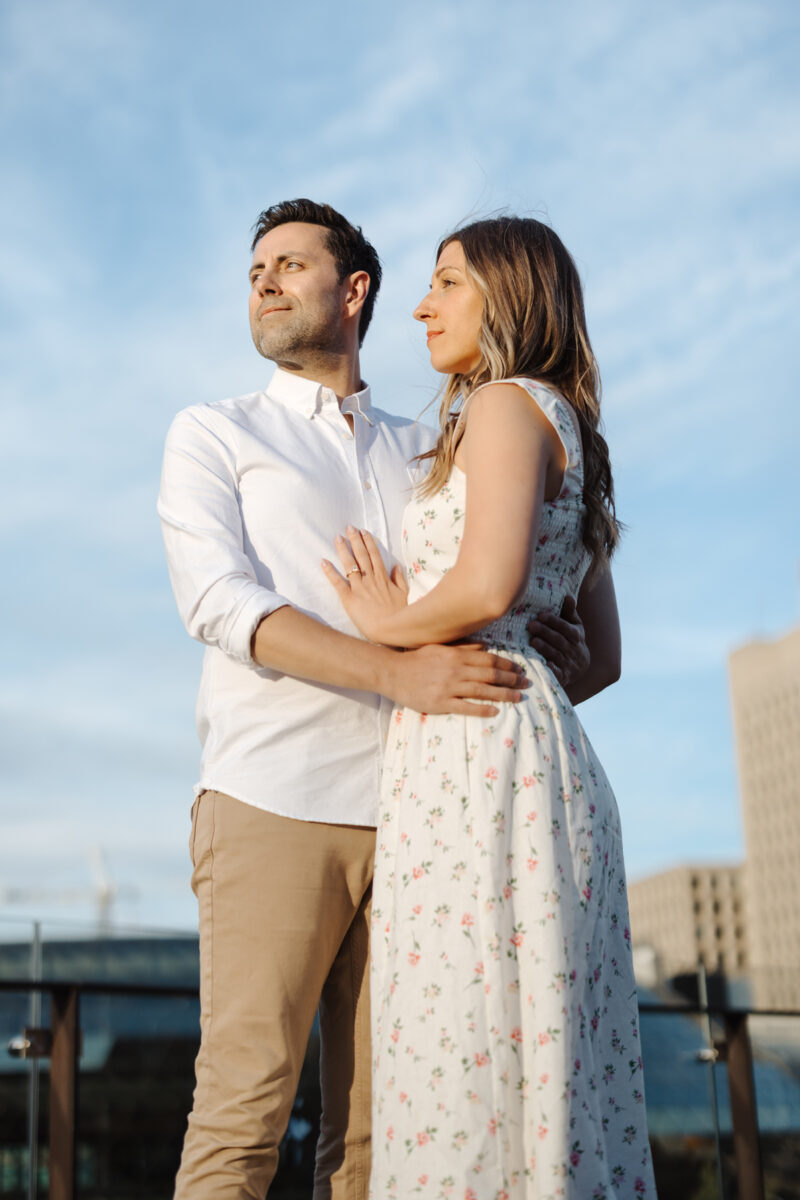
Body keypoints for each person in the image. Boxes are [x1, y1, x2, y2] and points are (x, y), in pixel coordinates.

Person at [158, 200, 598, 1199]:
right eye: (254, 268)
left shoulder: (429, 447)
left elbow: (494, 591)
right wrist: (396, 668)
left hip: (427, 816)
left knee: (376, 1135)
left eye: (287, 264)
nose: (262, 280)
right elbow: (220, 604)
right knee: (243, 1110)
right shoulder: (214, 433)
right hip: (273, 798)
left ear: (353, 290)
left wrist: (541, 647)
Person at [323, 217, 657, 1198]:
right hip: (525, 740)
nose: (422, 306)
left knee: (469, 1046)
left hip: (477, 764)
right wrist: (514, 636)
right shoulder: (573, 432)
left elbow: (483, 581)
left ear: (509, 297)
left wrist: (383, 623)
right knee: (528, 1052)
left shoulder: (505, 408)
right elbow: (599, 658)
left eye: (446, 283)